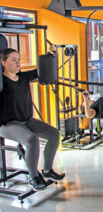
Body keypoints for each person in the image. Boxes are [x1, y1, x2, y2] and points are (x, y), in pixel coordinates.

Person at [0, 45, 65, 191]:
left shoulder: (22, 77)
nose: (18, 63)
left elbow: (41, 71)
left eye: (19, 60)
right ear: (3, 62)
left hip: (26, 120)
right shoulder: (1, 82)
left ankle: (47, 170)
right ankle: (33, 176)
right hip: (8, 124)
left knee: (54, 134)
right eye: (13, 60)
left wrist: (50, 55)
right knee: (31, 140)